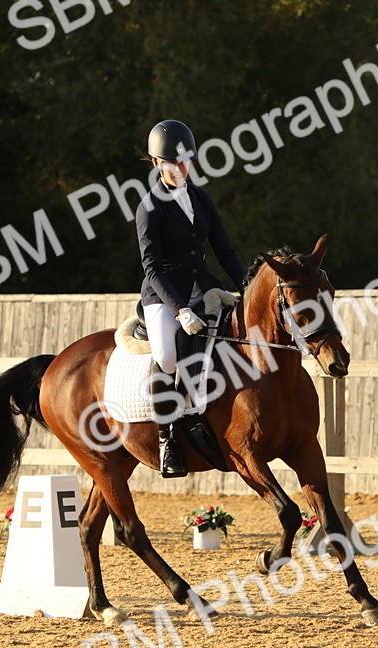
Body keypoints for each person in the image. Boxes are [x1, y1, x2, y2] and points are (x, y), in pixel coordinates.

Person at [136, 120, 246, 478]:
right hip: (164, 294)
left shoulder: (201, 198)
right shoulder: (149, 208)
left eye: (187, 161)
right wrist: (179, 310)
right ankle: (167, 438)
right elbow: (152, 267)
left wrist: (246, 285)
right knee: (167, 357)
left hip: (203, 286)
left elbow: (223, 248)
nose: (183, 168)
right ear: (157, 164)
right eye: (174, 163)